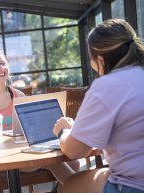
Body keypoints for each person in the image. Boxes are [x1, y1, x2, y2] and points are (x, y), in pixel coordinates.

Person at [53, 18, 144, 193]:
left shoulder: (108, 85)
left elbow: (74, 152)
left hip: (134, 185)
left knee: (68, 185)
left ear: (99, 60)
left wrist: (64, 130)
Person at [0, 49, 79, 190]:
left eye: (3, 63)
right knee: (56, 162)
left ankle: (69, 189)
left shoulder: (19, 95)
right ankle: (80, 188)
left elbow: (32, 128)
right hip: (0, 157)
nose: (1, 68)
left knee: (73, 163)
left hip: (22, 152)